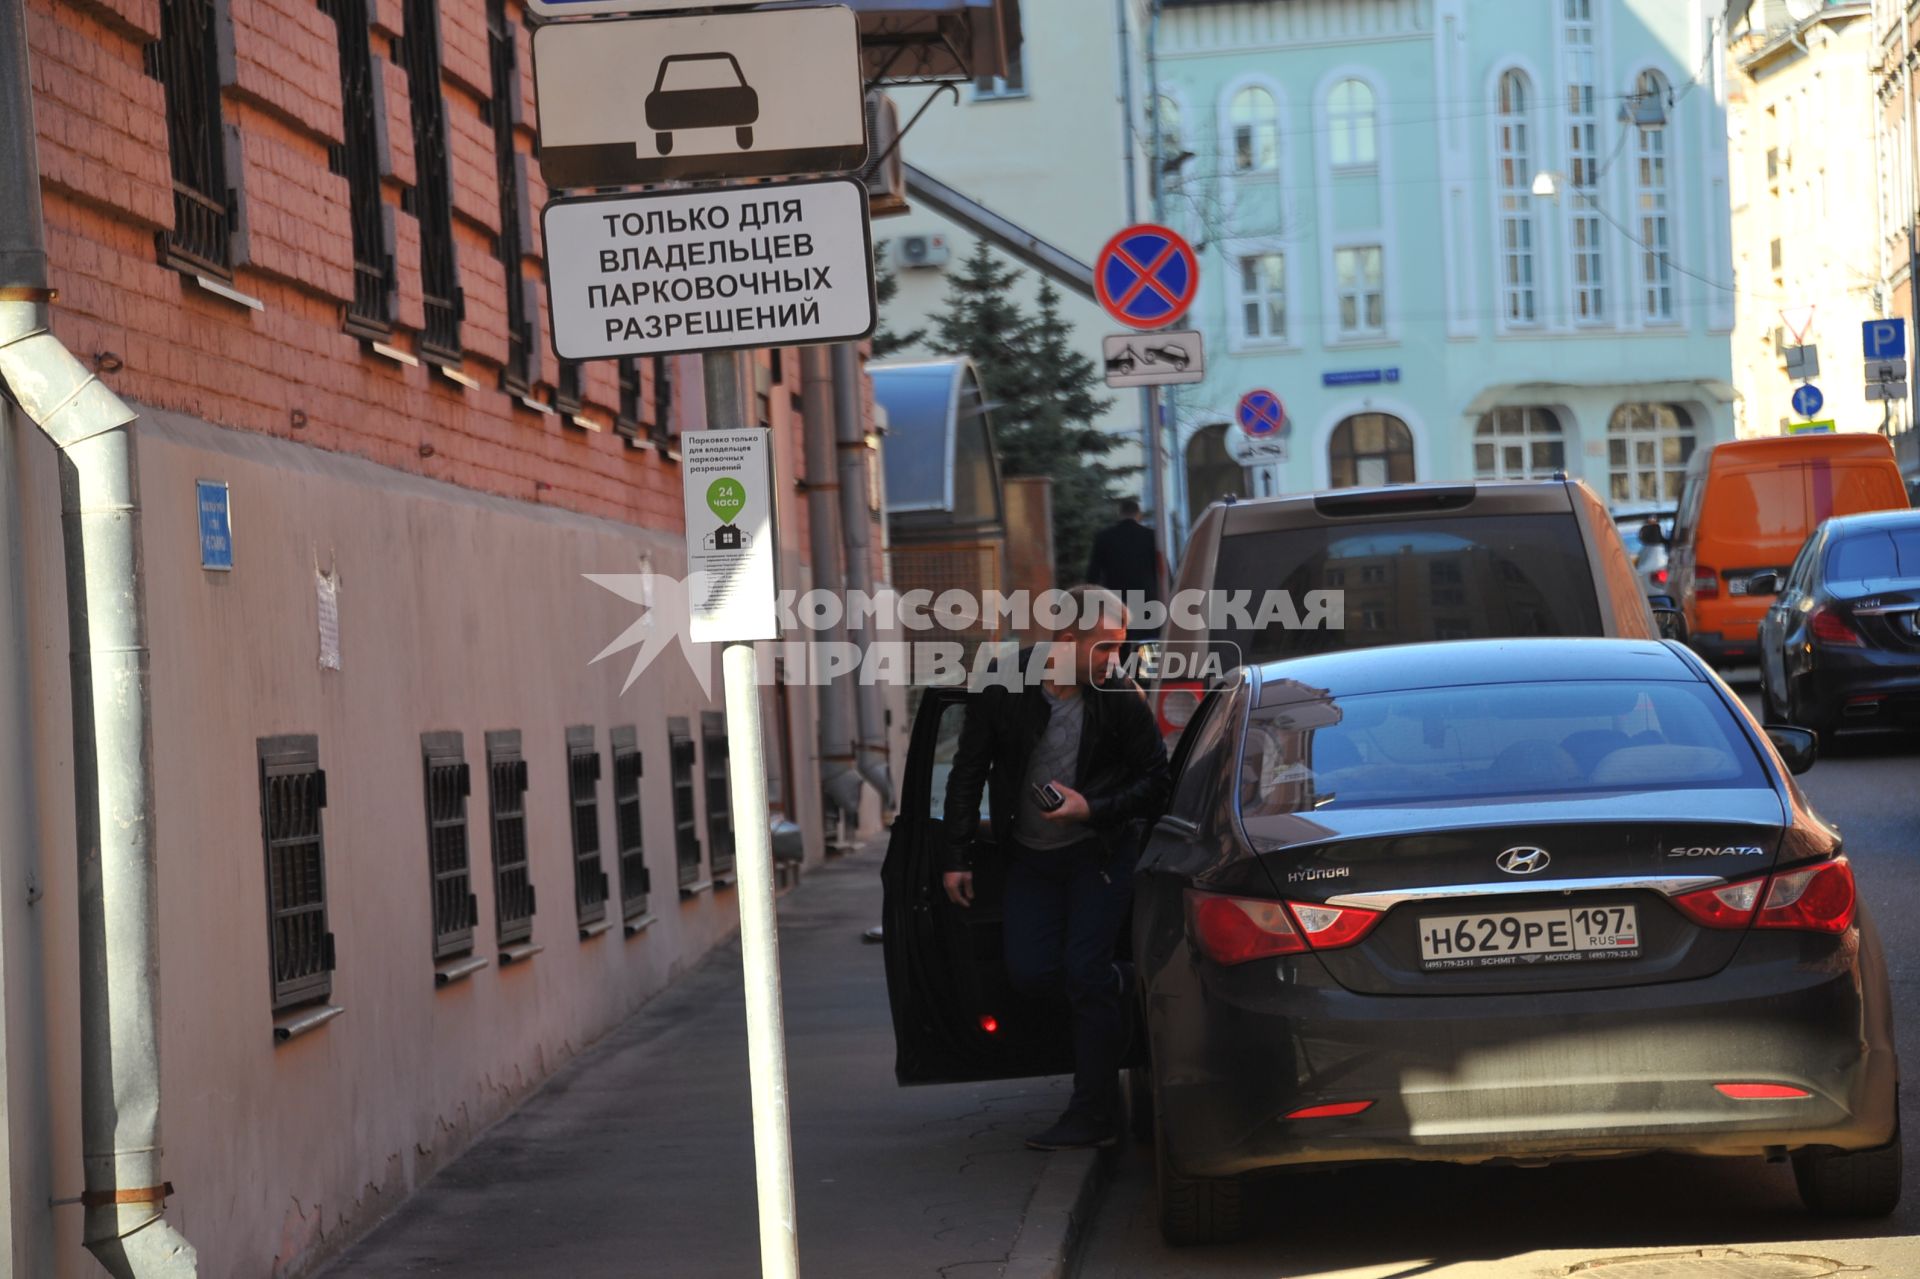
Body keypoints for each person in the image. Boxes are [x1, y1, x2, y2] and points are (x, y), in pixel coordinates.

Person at [939, 585, 1170, 1150]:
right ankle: (1120, 984)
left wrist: (1092, 809)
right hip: (1031, 858)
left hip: (1101, 855)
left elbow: (1158, 784)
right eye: (1106, 648)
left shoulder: (1119, 696)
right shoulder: (1003, 683)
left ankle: (1092, 1115)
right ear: (1067, 640)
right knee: (1031, 972)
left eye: (1120, 649)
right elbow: (968, 771)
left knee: (1083, 974)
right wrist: (956, 855)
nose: (1116, 661)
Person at [1084, 497, 1164, 643]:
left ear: (1119, 514)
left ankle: (1120, 665)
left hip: (1116, 598)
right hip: (1145, 597)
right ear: (1138, 515)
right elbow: (1161, 569)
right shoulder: (1151, 536)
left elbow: (1093, 573)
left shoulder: (1104, 537)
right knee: (1147, 643)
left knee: (1117, 643)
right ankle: (1145, 666)